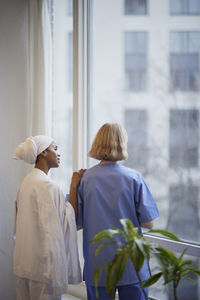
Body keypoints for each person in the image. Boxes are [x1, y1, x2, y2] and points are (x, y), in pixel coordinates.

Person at [77, 123, 159, 300]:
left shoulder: (85, 179)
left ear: (97, 143)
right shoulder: (134, 178)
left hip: (98, 264)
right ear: (122, 144)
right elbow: (149, 223)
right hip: (130, 263)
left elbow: (77, 222)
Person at [13, 135, 84, 300]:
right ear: (43, 152)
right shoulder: (47, 185)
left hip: (25, 263)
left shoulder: (27, 182)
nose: (58, 154)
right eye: (55, 149)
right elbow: (65, 222)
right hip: (43, 269)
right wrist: (74, 185)